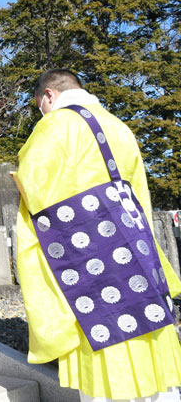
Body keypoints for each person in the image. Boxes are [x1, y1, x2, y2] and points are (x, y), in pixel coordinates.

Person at [14, 69, 181, 402]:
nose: (42, 112)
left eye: (40, 105)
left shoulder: (54, 125)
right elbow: (139, 193)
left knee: (105, 333)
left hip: (88, 251)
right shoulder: (119, 126)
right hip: (134, 244)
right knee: (149, 326)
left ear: (49, 95)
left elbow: (35, 185)